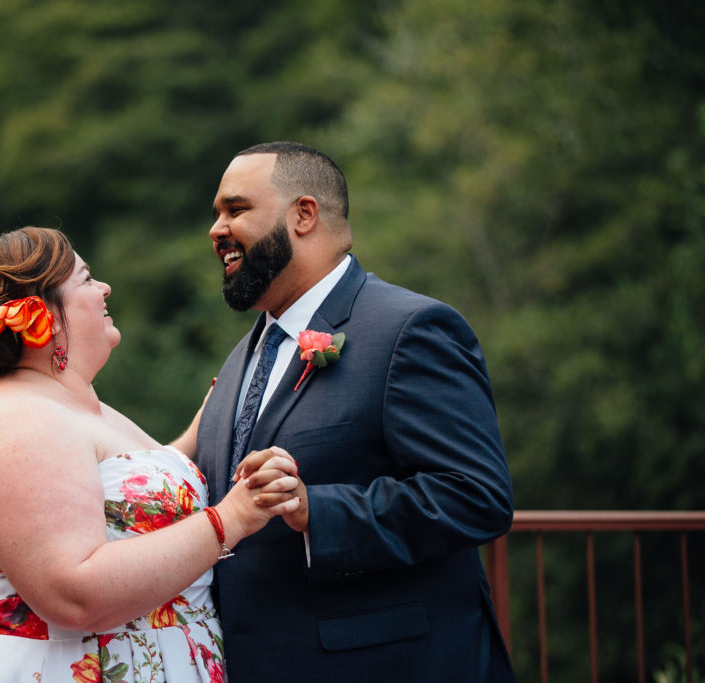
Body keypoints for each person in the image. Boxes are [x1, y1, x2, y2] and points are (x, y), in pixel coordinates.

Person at [0, 226, 301, 683]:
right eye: (86, 280)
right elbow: (75, 595)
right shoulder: (18, 421)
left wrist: (217, 413)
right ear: (42, 313)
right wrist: (233, 518)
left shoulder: (70, 404)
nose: (104, 288)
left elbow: (125, 499)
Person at [196, 141, 516, 682]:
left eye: (236, 209)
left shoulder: (410, 329)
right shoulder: (241, 359)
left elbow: (475, 495)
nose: (216, 229)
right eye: (216, 215)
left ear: (304, 214)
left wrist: (315, 513)